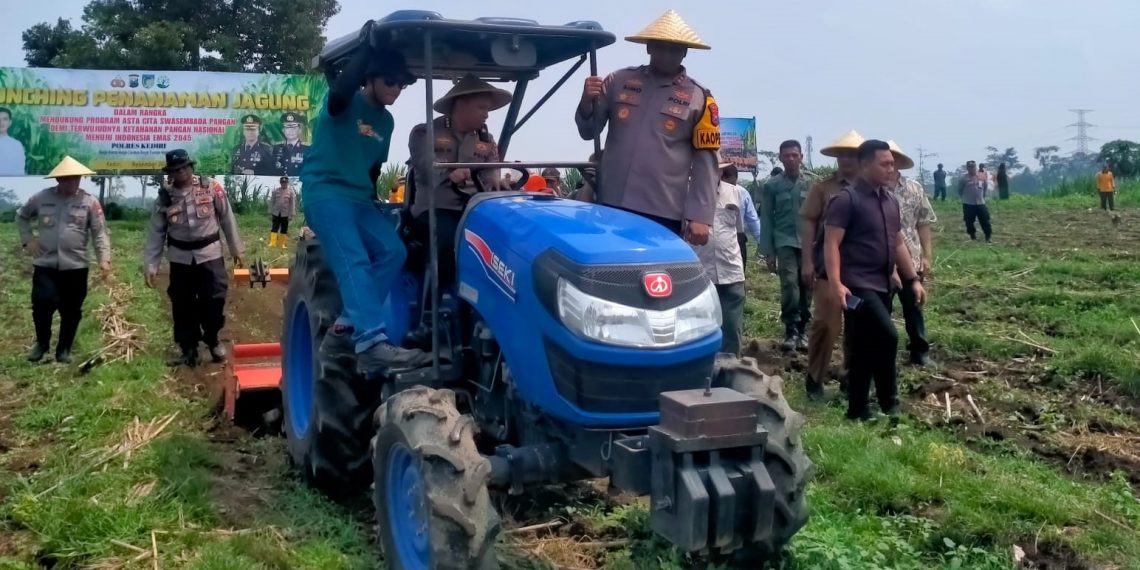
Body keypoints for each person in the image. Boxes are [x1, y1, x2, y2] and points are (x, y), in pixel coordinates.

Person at [299, 44, 431, 377]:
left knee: (393, 251)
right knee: (353, 259)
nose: (396, 89)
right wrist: (367, 49)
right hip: (326, 193)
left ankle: (344, 327)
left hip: (359, 199)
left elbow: (373, 169)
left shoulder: (386, 121)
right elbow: (339, 93)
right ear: (369, 78)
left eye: (402, 84)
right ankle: (371, 344)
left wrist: (380, 206)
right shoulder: (345, 103)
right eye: (390, 81)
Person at [575, 9, 719, 244]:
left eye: (675, 49)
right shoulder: (617, 81)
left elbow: (707, 162)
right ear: (649, 47)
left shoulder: (700, 98)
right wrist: (585, 103)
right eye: (661, 46)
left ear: (685, 52)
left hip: (663, 212)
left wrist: (700, 216)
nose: (667, 54)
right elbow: (588, 131)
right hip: (611, 203)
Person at [823, 140, 926, 421]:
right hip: (856, 285)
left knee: (865, 345)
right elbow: (831, 243)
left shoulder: (890, 200)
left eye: (892, 164)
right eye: (884, 164)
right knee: (887, 336)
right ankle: (889, 402)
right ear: (865, 165)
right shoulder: (846, 200)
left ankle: (858, 409)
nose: (890, 169)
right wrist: (835, 283)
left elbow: (898, 243)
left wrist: (912, 279)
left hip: (883, 283)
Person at [409, 74, 511, 290]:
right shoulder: (424, 133)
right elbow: (426, 166)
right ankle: (433, 302)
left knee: (507, 239)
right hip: (435, 209)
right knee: (447, 239)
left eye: (488, 109)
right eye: (481, 108)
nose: (486, 114)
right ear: (460, 104)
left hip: (474, 210)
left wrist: (496, 181)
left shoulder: (486, 140)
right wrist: (448, 173)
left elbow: (492, 170)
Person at [143, 150, 245, 367]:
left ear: (191, 167)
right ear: (170, 172)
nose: (181, 172)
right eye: (175, 169)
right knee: (182, 303)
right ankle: (188, 348)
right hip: (180, 258)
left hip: (210, 254)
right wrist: (151, 265)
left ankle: (213, 339)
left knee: (215, 298)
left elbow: (227, 218)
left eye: (184, 167)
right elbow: (156, 232)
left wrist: (236, 249)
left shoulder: (211, 188)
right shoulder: (165, 197)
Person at [16, 156, 111, 363]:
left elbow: (100, 233)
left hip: (76, 266)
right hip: (45, 263)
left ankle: (64, 349)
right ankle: (42, 344)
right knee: (42, 303)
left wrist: (104, 259)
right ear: (58, 179)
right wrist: (28, 240)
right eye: (67, 178)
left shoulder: (89, 201)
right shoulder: (41, 198)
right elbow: (21, 216)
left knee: (71, 310)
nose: (72, 182)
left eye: (76, 178)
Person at [800, 129, 864, 397]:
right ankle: (815, 378)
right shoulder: (823, 188)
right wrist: (806, 261)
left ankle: (851, 379)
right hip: (827, 267)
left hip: (861, 269)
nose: (846, 159)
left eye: (852, 154)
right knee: (826, 324)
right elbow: (808, 223)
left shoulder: (871, 189)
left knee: (858, 329)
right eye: (842, 155)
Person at [693, 156, 749, 355]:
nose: (711, 173)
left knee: (732, 328)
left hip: (731, 271)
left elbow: (739, 232)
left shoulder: (735, 193)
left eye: (715, 169)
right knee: (701, 328)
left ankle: (731, 367)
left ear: (721, 171)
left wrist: (743, 267)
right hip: (700, 272)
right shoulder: (687, 194)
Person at [888, 141, 937, 368]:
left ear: (898, 162)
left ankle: (920, 351)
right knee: (882, 311)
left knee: (914, 307)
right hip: (883, 261)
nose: (889, 164)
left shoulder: (914, 188)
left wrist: (927, 256)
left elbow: (923, 223)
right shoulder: (873, 189)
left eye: (893, 160)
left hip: (912, 259)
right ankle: (884, 354)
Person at [760, 140, 811, 351]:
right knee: (790, 285)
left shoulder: (811, 184)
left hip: (808, 244)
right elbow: (766, 219)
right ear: (780, 157)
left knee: (807, 286)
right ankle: (791, 329)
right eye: (787, 155)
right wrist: (768, 252)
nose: (791, 159)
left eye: (794, 155)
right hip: (784, 241)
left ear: (801, 157)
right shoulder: (771, 186)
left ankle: (804, 329)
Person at [957, 160, 992, 242]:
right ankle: (972, 236)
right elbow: (960, 190)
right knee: (969, 221)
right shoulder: (964, 179)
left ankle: (988, 236)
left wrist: (983, 195)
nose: (971, 168)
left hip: (980, 202)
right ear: (967, 168)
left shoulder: (982, 176)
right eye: (970, 167)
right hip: (968, 203)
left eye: (973, 167)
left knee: (985, 219)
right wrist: (964, 197)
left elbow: (985, 187)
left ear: (975, 167)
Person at [734, 174, 763, 271]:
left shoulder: (742, 192)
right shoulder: (742, 192)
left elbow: (752, 219)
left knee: (738, 272)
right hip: (736, 237)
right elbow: (752, 219)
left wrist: (760, 240)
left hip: (738, 238)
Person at [273, 112, 309, 176]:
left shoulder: (307, 149)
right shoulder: (276, 148)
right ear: (283, 130)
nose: (290, 131)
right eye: (287, 128)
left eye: (294, 128)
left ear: (300, 130)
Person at [268, 176, 297, 248]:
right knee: (274, 227)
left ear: (287, 183)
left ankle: (282, 243)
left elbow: (292, 204)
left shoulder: (291, 192)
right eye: (282, 183)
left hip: (285, 213)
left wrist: (291, 214)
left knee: (284, 228)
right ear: (280, 183)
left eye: (285, 183)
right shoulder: (276, 191)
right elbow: (272, 202)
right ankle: (273, 242)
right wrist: (270, 212)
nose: (284, 184)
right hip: (276, 212)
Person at [0, 107, 26, 175]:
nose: (1, 122)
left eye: (4, 119)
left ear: (10, 123)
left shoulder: (16, 145)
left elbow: (20, 171)